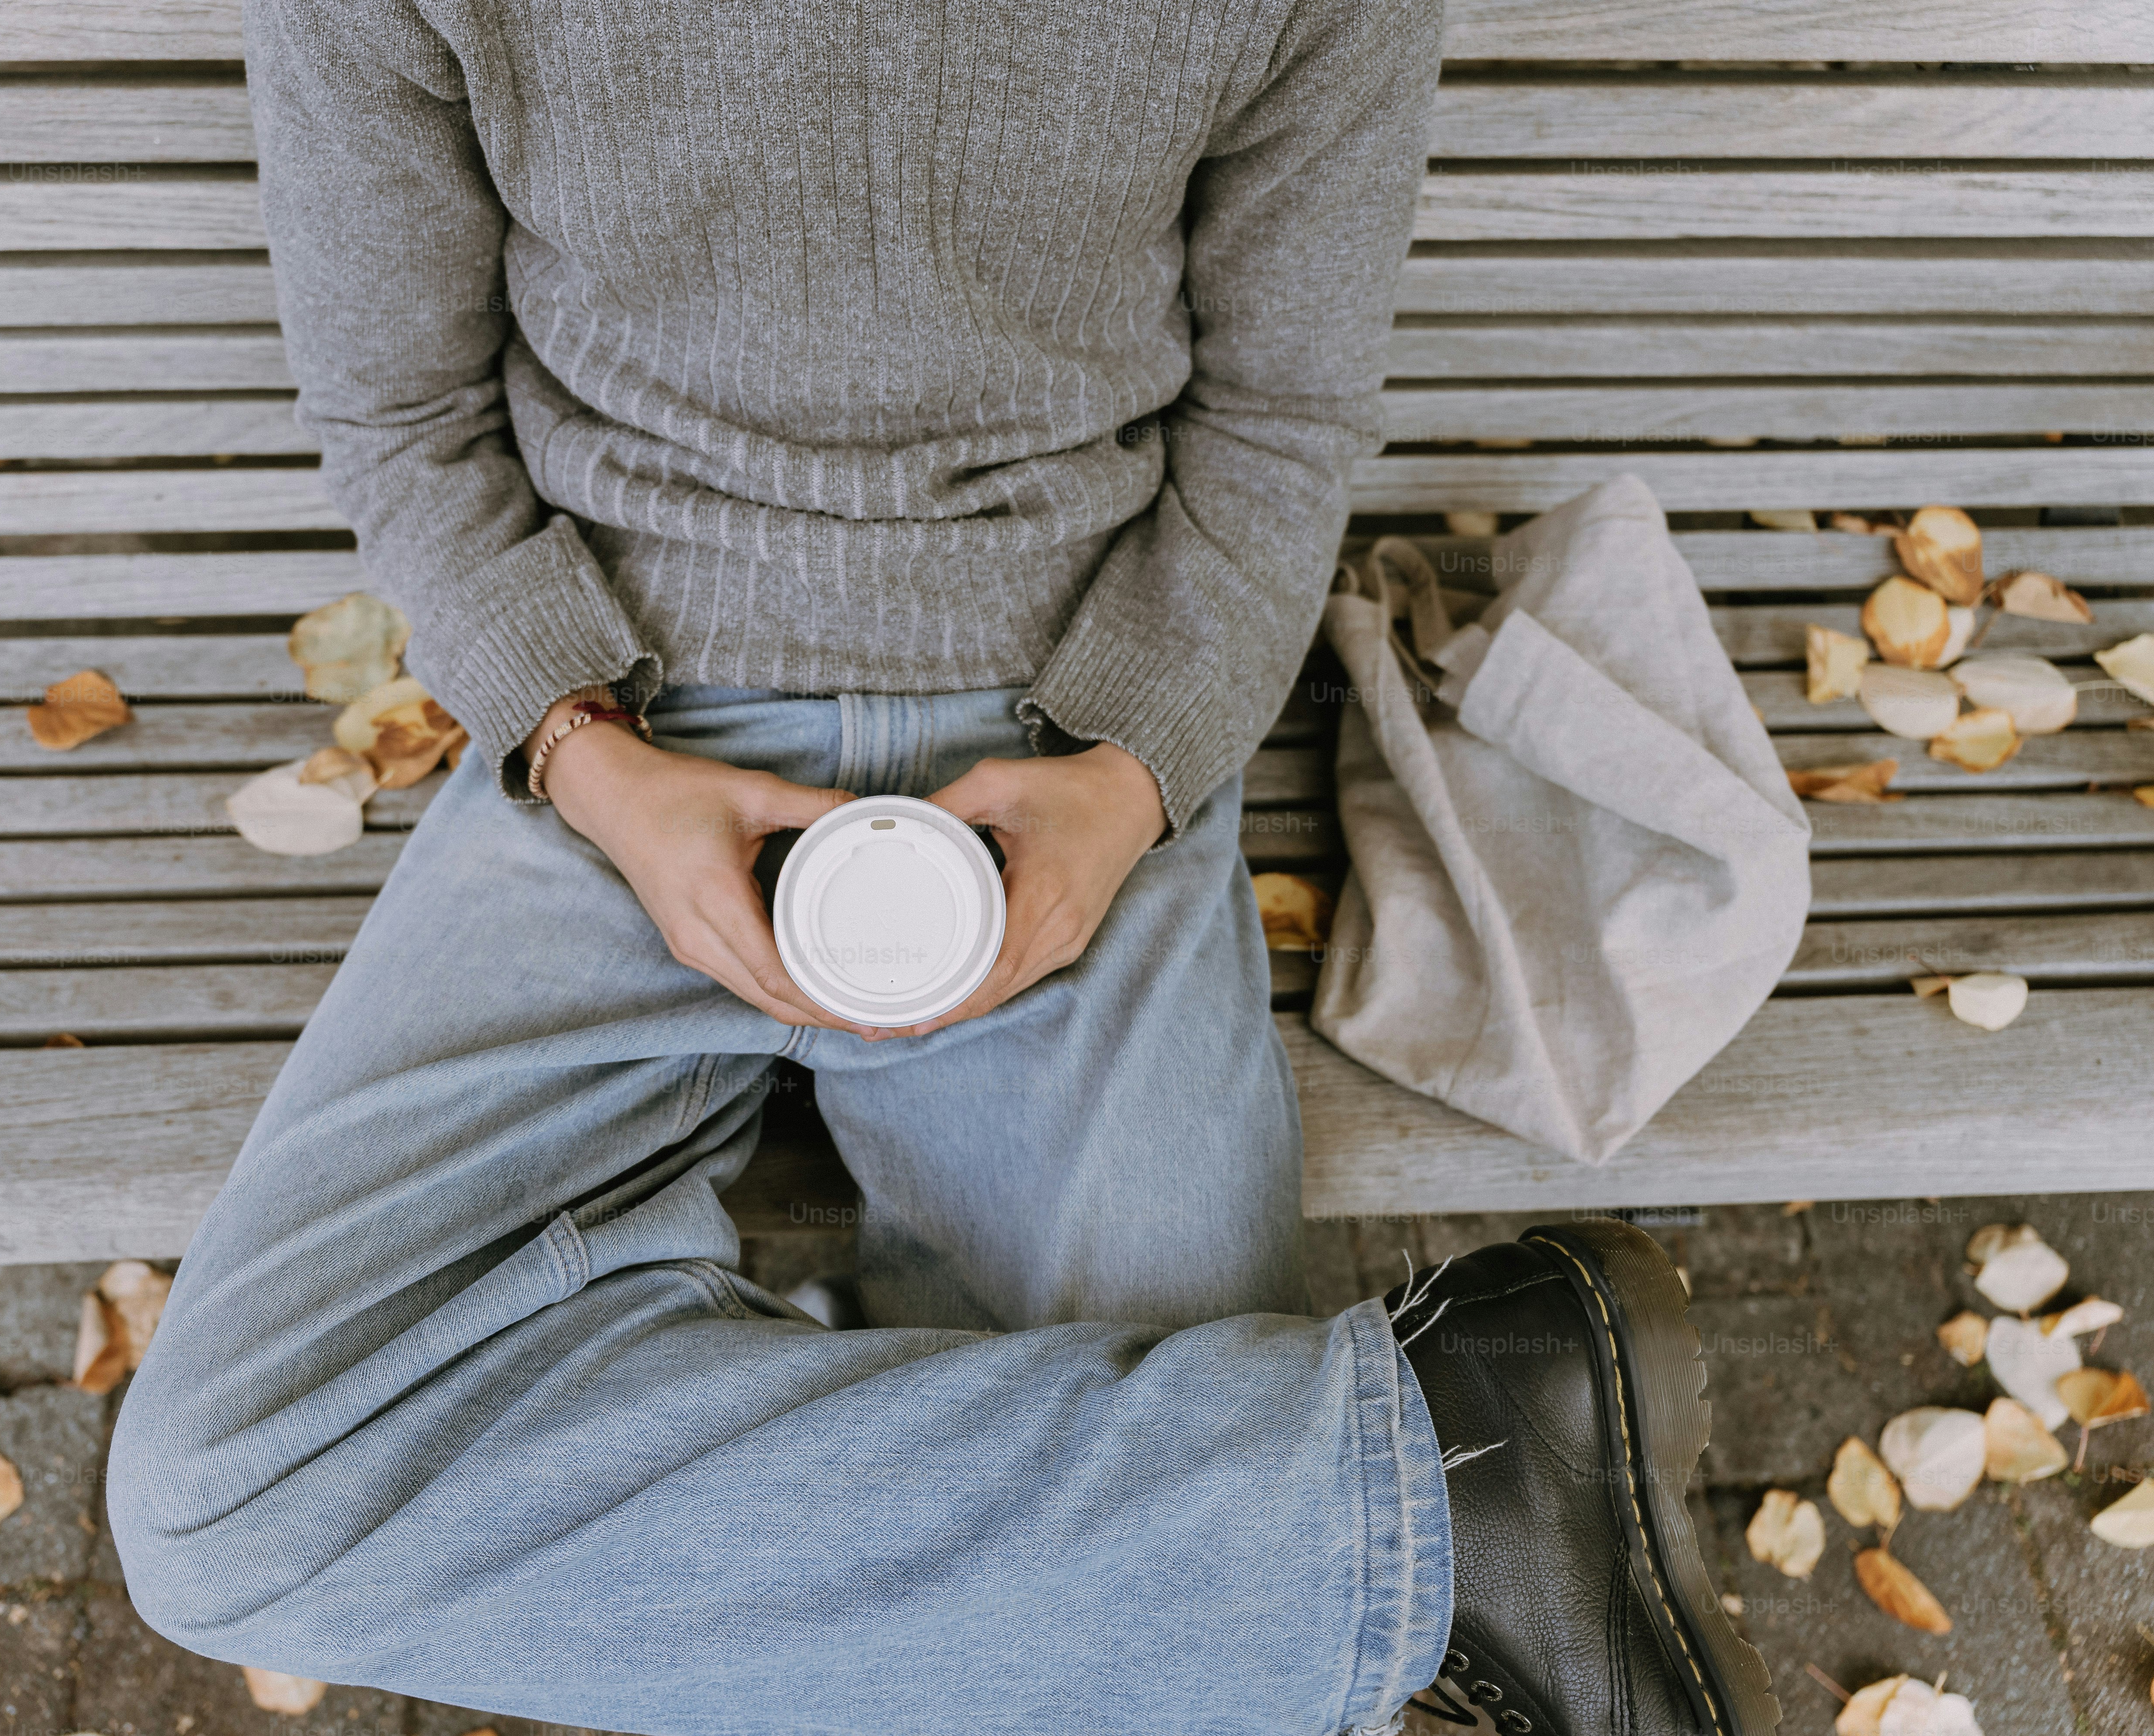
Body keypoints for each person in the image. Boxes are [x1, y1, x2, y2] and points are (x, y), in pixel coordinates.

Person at [110, 0, 1780, 1731]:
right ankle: (1450, 1473)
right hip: (621, 739)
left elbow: (1282, 424)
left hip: (1069, 755)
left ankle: (1309, 1496)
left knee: (1173, 1576)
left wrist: (1130, 781)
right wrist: (581, 754)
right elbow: (399, 410)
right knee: (222, 1499)